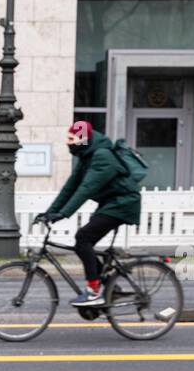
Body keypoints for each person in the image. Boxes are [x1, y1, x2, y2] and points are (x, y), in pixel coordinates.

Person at [36, 120, 141, 309]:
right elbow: (71, 187)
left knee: (83, 237)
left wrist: (63, 214)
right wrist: (50, 212)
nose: (68, 142)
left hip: (123, 204)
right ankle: (109, 286)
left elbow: (86, 188)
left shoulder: (101, 156)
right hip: (110, 203)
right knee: (83, 244)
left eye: (72, 139)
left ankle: (94, 292)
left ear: (83, 140)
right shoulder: (86, 156)